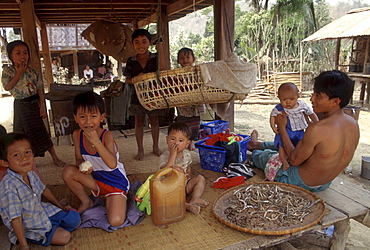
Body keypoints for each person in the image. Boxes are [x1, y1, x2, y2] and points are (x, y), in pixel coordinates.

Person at [248, 70, 359, 192]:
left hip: (298, 182)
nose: (312, 99)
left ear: (335, 101)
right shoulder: (353, 124)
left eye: (318, 96)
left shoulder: (318, 128)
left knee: (265, 156)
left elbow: (294, 160)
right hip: (325, 183)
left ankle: (255, 150)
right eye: (313, 94)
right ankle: (256, 144)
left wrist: (282, 128)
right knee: (295, 143)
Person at [0, 133, 80, 248]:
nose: (24, 158)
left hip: (41, 211)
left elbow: (44, 190)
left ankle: (54, 226)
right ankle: (27, 236)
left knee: (75, 219)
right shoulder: (9, 187)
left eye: (27, 152)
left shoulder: (30, 173)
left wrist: (59, 206)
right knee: (64, 237)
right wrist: (24, 246)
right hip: (28, 225)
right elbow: (15, 219)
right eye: (16, 155)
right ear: (4, 162)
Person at [62, 91, 129, 227]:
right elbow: (78, 159)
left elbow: (112, 164)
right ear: (75, 118)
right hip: (96, 180)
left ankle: (115, 198)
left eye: (93, 116)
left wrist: (96, 142)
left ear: (101, 117)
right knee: (68, 172)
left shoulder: (107, 135)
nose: (88, 122)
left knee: (115, 221)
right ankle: (86, 201)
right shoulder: (77, 134)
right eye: (82, 117)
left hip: (115, 182)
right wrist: (82, 166)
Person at [1, 40, 65, 167]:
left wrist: (42, 106)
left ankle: (55, 157)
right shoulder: (8, 71)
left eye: (25, 53)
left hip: (34, 103)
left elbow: (40, 89)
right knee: (22, 135)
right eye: (18, 53)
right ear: (11, 56)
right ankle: (27, 160)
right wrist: (19, 73)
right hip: (20, 105)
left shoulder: (33, 71)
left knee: (41, 131)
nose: (22, 56)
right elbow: (8, 87)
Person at [123, 28, 166, 160]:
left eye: (144, 41)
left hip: (154, 96)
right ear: (133, 44)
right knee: (139, 123)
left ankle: (155, 147)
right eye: (137, 42)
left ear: (150, 42)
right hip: (137, 97)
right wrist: (137, 79)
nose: (141, 45)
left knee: (154, 122)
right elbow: (127, 80)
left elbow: (164, 71)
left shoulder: (156, 57)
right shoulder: (131, 60)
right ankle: (140, 150)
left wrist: (161, 51)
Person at [159, 122, 208, 214]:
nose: (176, 143)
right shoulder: (165, 156)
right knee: (164, 199)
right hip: (170, 188)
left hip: (184, 185)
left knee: (200, 178)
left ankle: (195, 198)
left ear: (187, 143)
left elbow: (188, 168)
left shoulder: (187, 154)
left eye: (180, 141)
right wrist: (173, 154)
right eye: (173, 139)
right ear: (167, 139)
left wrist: (188, 177)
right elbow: (166, 173)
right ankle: (186, 206)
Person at [269, 82, 319, 171]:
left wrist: (317, 123)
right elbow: (272, 115)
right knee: (282, 147)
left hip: (299, 130)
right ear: (279, 98)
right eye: (284, 100)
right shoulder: (279, 108)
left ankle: (300, 159)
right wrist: (273, 126)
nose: (288, 102)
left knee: (300, 145)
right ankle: (284, 162)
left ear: (298, 96)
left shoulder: (302, 105)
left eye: (292, 99)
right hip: (286, 130)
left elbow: (311, 114)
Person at [176, 48, 206, 147]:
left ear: (193, 59)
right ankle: (184, 140)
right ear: (178, 60)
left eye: (188, 57)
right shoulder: (176, 73)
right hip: (183, 103)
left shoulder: (198, 71)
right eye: (182, 58)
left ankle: (191, 141)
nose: (185, 60)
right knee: (183, 123)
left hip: (196, 102)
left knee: (195, 123)